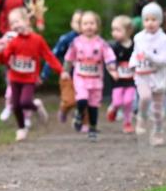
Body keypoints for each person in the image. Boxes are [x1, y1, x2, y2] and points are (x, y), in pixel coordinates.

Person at [0, 7, 62, 141]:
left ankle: (36, 106)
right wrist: (0, 51)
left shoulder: (37, 40)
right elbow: (3, 60)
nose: (15, 25)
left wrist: (60, 71)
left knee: (25, 102)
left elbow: (49, 56)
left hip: (29, 78)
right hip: (15, 77)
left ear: (27, 21)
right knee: (16, 105)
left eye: (17, 21)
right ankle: (21, 128)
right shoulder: (13, 42)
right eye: (12, 23)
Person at [62, 11, 117, 141]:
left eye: (92, 23)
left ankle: (92, 128)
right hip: (80, 77)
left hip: (96, 79)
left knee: (93, 105)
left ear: (97, 26)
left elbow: (109, 57)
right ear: (80, 26)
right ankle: (79, 114)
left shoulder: (101, 43)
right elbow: (69, 58)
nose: (89, 26)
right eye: (85, 23)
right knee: (82, 99)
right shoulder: (76, 42)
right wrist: (65, 71)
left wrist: (112, 69)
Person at [130, 2, 166, 146]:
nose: (150, 23)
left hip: (158, 77)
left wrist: (151, 57)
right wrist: (132, 65)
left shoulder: (165, 39)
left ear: (160, 21)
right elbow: (135, 54)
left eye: (154, 19)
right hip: (142, 75)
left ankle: (158, 133)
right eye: (147, 19)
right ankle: (141, 117)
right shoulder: (138, 38)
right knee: (145, 96)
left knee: (157, 110)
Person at [44, 9, 84, 122]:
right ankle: (64, 108)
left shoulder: (92, 40)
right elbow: (52, 55)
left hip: (84, 76)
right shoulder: (66, 39)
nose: (80, 25)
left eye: (82, 22)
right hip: (68, 75)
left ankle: (80, 119)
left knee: (83, 99)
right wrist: (45, 73)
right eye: (77, 22)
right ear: (71, 24)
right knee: (70, 100)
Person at [107, 15, 137, 133]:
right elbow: (109, 61)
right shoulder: (113, 47)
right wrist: (112, 71)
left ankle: (127, 123)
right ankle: (113, 109)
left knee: (128, 101)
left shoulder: (135, 46)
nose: (114, 33)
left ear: (128, 31)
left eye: (118, 30)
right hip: (118, 81)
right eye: (113, 30)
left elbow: (139, 60)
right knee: (118, 102)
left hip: (131, 80)